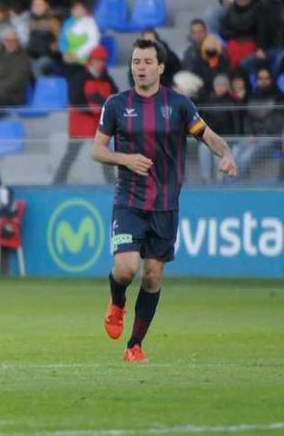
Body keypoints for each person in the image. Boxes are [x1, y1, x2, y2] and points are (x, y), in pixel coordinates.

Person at [92, 38, 237, 363]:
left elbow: (207, 136)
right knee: (126, 268)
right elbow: (96, 150)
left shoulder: (180, 105)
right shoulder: (116, 104)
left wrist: (226, 153)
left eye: (146, 62)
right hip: (129, 199)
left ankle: (135, 346)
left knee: (153, 275)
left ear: (160, 67)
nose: (140, 67)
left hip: (166, 203)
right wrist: (126, 160)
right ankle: (117, 303)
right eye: (135, 62)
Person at [54, 46, 118, 184]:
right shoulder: (80, 77)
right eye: (96, 60)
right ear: (90, 61)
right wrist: (90, 108)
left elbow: (114, 97)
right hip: (81, 123)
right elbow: (75, 99)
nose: (99, 63)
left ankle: (111, 183)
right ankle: (58, 181)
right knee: (72, 153)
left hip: (98, 124)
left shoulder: (107, 79)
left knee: (104, 154)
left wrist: (101, 105)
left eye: (101, 61)